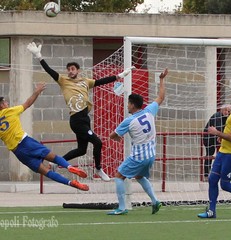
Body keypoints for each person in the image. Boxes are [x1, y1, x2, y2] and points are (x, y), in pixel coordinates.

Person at [27, 42, 134, 182]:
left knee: (82, 150)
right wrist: (39, 56)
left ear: (78, 70)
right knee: (98, 142)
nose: (70, 71)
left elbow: (101, 81)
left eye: (72, 69)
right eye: (68, 69)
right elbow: (49, 70)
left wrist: (119, 75)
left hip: (85, 119)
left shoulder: (85, 81)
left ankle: (55, 163)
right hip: (76, 120)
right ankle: (98, 169)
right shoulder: (63, 80)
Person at [0, 83, 89, 192]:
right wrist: (37, 91)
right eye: (4, 102)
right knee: (54, 157)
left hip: (18, 152)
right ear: (1, 106)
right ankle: (69, 167)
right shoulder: (10, 111)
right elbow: (28, 103)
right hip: (26, 142)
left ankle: (71, 183)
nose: (6, 102)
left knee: (46, 172)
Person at [107, 68, 168, 215]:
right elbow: (161, 97)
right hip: (151, 155)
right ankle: (155, 201)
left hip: (139, 156)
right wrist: (161, 79)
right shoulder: (149, 111)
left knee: (118, 176)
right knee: (139, 176)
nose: (127, 106)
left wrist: (118, 137)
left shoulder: (129, 121)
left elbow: (112, 136)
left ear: (133, 105)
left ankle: (122, 208)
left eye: (128, 103)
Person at [198, 88, 231, 218]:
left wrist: (217, 132)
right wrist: (222, 136)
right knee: (212, 179)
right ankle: (211, 211)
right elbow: (230, 134)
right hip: (223, 153)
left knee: (225, 184)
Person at [203, 104, 231, 178]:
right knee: (209, 155)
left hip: (218, 139)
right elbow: (219, 129)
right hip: (209, 139)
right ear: (221, 110)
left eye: (228, 111)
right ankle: (206, 174)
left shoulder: (228, 117)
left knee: (222, 156)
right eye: (225, 110)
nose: (227, 112)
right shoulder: (217, 116)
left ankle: (219, 173)